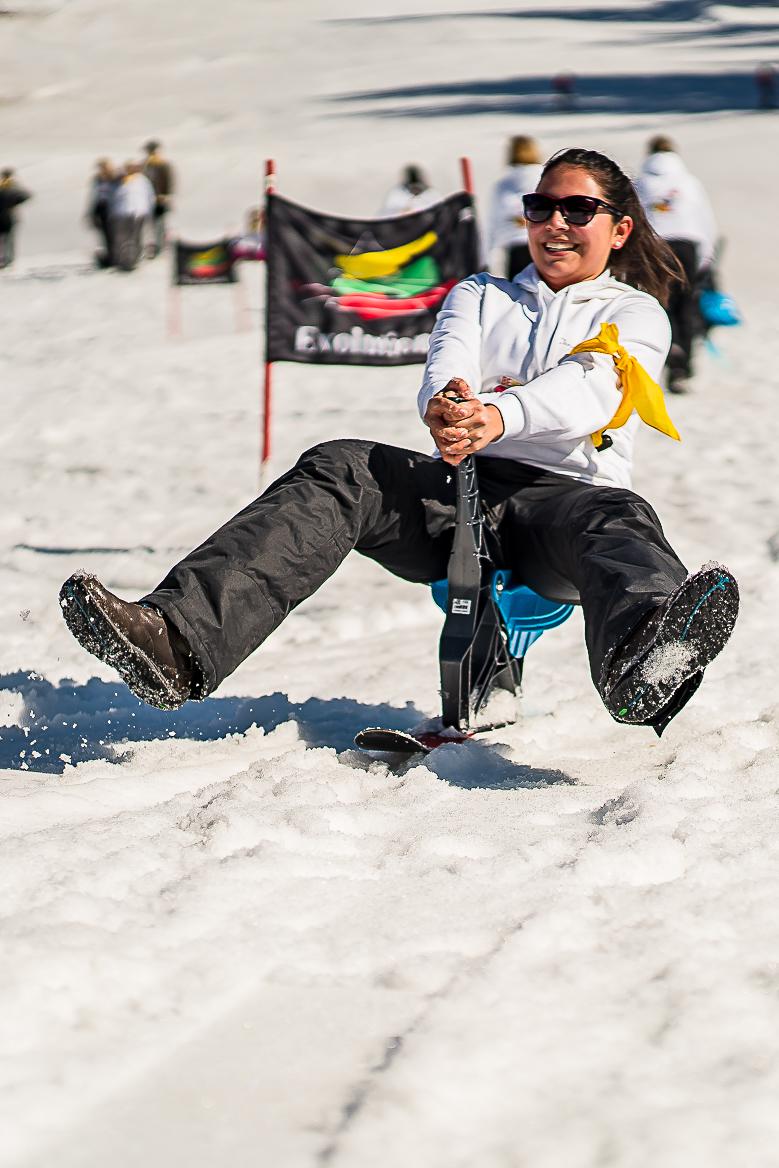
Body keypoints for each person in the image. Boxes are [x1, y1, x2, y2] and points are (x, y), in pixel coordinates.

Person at [59, 147, 739, 738]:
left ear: (618, 229)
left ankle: (644, 656)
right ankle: (177, 643)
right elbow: (449, 360)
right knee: (342, 466)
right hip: (460, 492)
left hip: (565, 504)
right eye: (540, 207)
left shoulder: (635, 313)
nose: (554, 223)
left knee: (620, 523)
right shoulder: (483, 293)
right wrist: (446, 405)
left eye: (577, 210)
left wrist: (499, 415)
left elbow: (592, 386)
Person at [635, 135, 718, 392]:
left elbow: (635, 220)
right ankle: (682, 367)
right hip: (687, 245)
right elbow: (704, 219)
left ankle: (667, 351)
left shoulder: (641, 183)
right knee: (687, 304)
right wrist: (707, 258)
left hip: (655, 245)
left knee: (661, 303)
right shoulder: (688, 182)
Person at [487, 135, 543, 279]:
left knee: (518, 288)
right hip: (542, 242)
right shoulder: (545, 177)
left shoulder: (504, 183)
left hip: (515, 244)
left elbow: (494, 221)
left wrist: (489, 254)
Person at [109, 161, 156, 271]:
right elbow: (114, 197)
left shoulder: (142, 180)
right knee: (122, 238)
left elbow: (149, 196)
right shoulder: (121, 181)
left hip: (138, 212)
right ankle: (123, 258)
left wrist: (149, 211)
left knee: (136, 236)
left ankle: (135, 258)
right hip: (122, 213)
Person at [142, 140, 175, 256]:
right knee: (151, 224)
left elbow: (169, 181)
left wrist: (165, 195)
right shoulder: (146, 165)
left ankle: (162, 246)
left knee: (160, 223)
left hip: (160, 199)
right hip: (148, 199)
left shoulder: (163, 164)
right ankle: (155, 245)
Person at [86, 159, 119, 267]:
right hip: (100, 208)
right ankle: (108, 256)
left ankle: (115, 257)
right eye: (100, 168)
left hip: (113, 208)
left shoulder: (115, 178)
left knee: (113, 234)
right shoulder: (97, 179)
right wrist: (91, 213)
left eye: (104, 167)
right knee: (104, 234)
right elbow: (93, 195)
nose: (102, 170)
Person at [0, 168, 32, 268]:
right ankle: (8, 260)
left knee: (5, 239)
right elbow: (26, 196)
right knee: (8, 239)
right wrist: (13, 203)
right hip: (9, 216)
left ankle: (5, 260)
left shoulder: (3, 185)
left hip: (4, 215)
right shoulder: (12, 186)